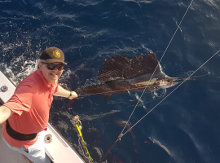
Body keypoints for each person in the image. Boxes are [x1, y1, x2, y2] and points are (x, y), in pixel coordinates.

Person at [0, 47, 78, 163]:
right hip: (25, 143)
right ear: (40, 65)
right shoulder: (29, 90)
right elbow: (5, 110)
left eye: (59, 67)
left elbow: (55, 88)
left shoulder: (49, 78)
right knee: (43, 160)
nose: (55, 70)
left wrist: (69, 94)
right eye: (51, 66)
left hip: (30, 131)